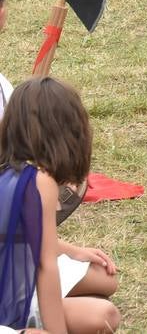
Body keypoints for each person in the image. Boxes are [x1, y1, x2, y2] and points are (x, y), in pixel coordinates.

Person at [0, 77, 121, 332]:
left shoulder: (15, 173)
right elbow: (45, 267)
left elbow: (21, 239)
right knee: (102, 317)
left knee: (104, 312)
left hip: (13, 294)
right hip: (12, 298)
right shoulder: (38, 181)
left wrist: (70, 250)